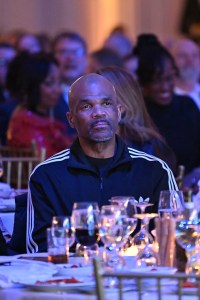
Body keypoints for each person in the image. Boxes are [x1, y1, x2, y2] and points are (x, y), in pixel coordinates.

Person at [26, 73, 177, 253]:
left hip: (135, 277)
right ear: (71, 119)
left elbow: (173, 238)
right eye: (86, 106)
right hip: (71, 277)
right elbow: (38, 248)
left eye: (106, 104)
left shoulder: (154, 170)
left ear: (118, 112)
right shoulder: (47, 175)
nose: (98, 113)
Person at [135, 33, 200, 175]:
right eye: (157, 80)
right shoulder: (138, 114)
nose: (165, 87)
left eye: (169, 78)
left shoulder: (187, 106)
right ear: (144, 82)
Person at [97, 66, 177, 173]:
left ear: (122, 106)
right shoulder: (78, 150)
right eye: (87, 104)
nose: (95, 111)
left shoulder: (150, 149)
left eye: (104, 103)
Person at [7, 53, 72, 158]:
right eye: (49, 83)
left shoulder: (50, 115)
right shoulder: (25, 121)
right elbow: (45, 163)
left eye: (59, 82)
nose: (57, 90)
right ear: (32, 85)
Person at [52, 31, 88, 140]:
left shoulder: (98, 92)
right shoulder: (44, 95)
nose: (70, 58)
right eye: (63, 52)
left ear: (86, 58)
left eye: (76, 52)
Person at [170, 38, 200, 110]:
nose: (190, 60)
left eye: (195, 55)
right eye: (182, 55)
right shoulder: (165, 97)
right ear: (170, 61)